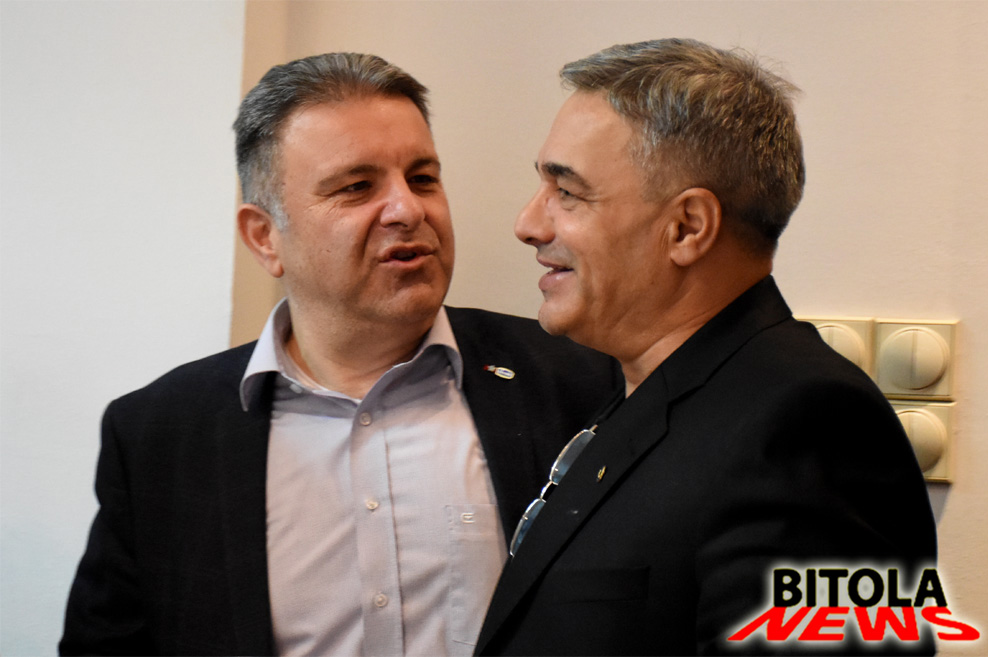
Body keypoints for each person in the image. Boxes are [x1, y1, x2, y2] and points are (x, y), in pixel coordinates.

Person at [59, 52, 618, 656]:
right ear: (265, 237)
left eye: (423, 178)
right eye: (357, 187)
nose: (408, 210)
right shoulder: (159, 435)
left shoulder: (582, 381)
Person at [474, 39, 937, 656]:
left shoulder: (805, 431)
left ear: (687, 227)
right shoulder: (646, 394)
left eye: (568, 193)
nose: (528, 224)